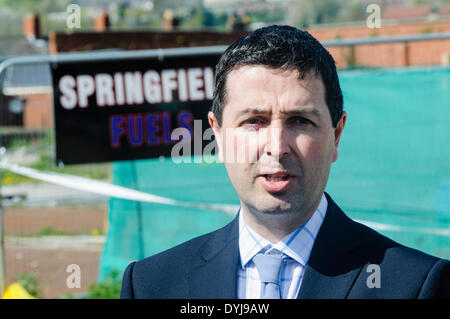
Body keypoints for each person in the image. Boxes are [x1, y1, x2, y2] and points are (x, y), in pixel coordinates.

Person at [120, 25, 450, 299]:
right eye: (254, 121)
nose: (277, 148)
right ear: (218, 136)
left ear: (336, 135)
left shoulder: (414, 286)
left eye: (300, 121)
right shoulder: (152, 285)